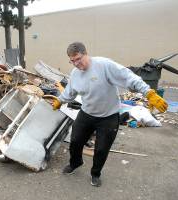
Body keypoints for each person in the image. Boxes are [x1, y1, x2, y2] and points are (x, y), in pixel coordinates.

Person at [52, 42, 168, 187]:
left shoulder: (104, 65)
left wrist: (148, 92)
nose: (76, 63)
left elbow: (128, 77)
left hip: (108, 116)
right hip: (87, 113)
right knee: (75, 141)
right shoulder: (75, 74)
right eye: (72, 61)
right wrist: (60, 101)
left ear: (86, 54)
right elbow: (70, 91)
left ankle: (95, 174)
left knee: (101, 149)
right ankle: (75, 163)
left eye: (78, 59)